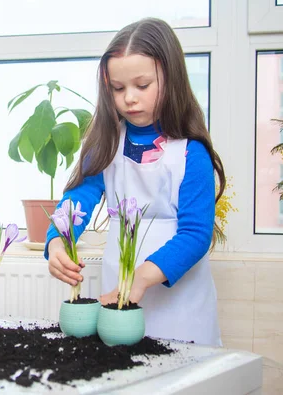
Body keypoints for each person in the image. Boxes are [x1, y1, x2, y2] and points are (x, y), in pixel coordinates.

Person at [45, 18, 225, 346]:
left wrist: (141, 279)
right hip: (119, 293)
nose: (129, 98)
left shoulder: (191, 153)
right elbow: (79, 199)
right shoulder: (106, 145)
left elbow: (196, 234)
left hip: (181, 302)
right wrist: (57, 241)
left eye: (142, 86)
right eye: (118, 88)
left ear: (171, 80)